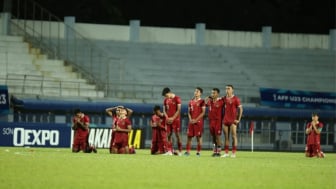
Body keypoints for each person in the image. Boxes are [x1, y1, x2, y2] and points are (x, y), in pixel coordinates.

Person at [221, 84, 243, 158]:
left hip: (233, 120)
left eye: (229, 88)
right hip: (225, 120)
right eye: (226, 88)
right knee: (226, 137)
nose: (227, 90)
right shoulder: (224, 98)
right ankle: (226, 152)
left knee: (234, 136)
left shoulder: (236, 99)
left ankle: (233, 153)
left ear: (232, 90)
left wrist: (238, 119)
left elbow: (241, 109)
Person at [184, 87, 206, 157]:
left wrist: (196, 120)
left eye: (197, 91)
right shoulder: (191, 101)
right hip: (191, 122)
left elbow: (203, 113)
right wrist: (190, 119)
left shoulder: (202, 102)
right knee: (189, 137)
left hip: (198, 122)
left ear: (200, 93)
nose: (196, 92)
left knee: (198, 137)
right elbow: (189, 112)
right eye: (195, 91)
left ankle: (198, 152)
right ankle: (187, 151)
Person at [162, 87, 183, 155]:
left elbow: (179, 110)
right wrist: (167, 117)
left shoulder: (177, 98)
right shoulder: (166, 100)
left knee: (177, 135)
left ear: (169, 92)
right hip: (168, 120)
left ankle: (180, 151)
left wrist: (173, 118)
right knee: (168, 135)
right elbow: (164, 110)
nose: (166, 97)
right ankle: (169, 150)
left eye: (166, 95)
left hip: (176, 120)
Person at [205, 88, 224, 157]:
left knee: (218, 137)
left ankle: (219, 152)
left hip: (218, 121)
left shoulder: (221, 101)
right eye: (212, 93)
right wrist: (207, 98)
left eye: (214, 93)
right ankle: (214, 151)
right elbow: (204, 103)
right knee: (213, 137)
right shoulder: (210, 101)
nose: (212, 94)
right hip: (211, 121)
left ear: (217, 94)